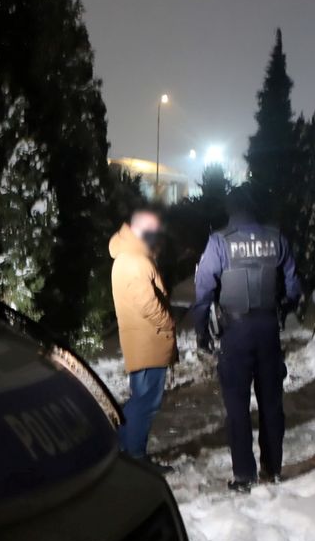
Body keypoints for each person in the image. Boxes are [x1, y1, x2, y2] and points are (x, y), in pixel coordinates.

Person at [190, 186, 302, 492]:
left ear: (231, 210)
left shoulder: (219, 242)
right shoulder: (275, 237)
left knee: (237, 406)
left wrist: (202, 333)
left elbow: (202, 292)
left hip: (235, 333)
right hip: (267, 329)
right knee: (271, 402)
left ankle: (244, 474)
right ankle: (273, 468)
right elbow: (293, 286)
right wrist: (282, 311)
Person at [109, 205, 175, 469]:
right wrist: (168, 322)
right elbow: (147, 304)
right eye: (153, 229)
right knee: (146, 401)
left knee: (141, 399)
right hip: (148, 340)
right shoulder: (134, 260)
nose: (157, 234)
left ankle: (125, 447)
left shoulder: (131, 256)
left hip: (145, 340)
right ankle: (133, 454)